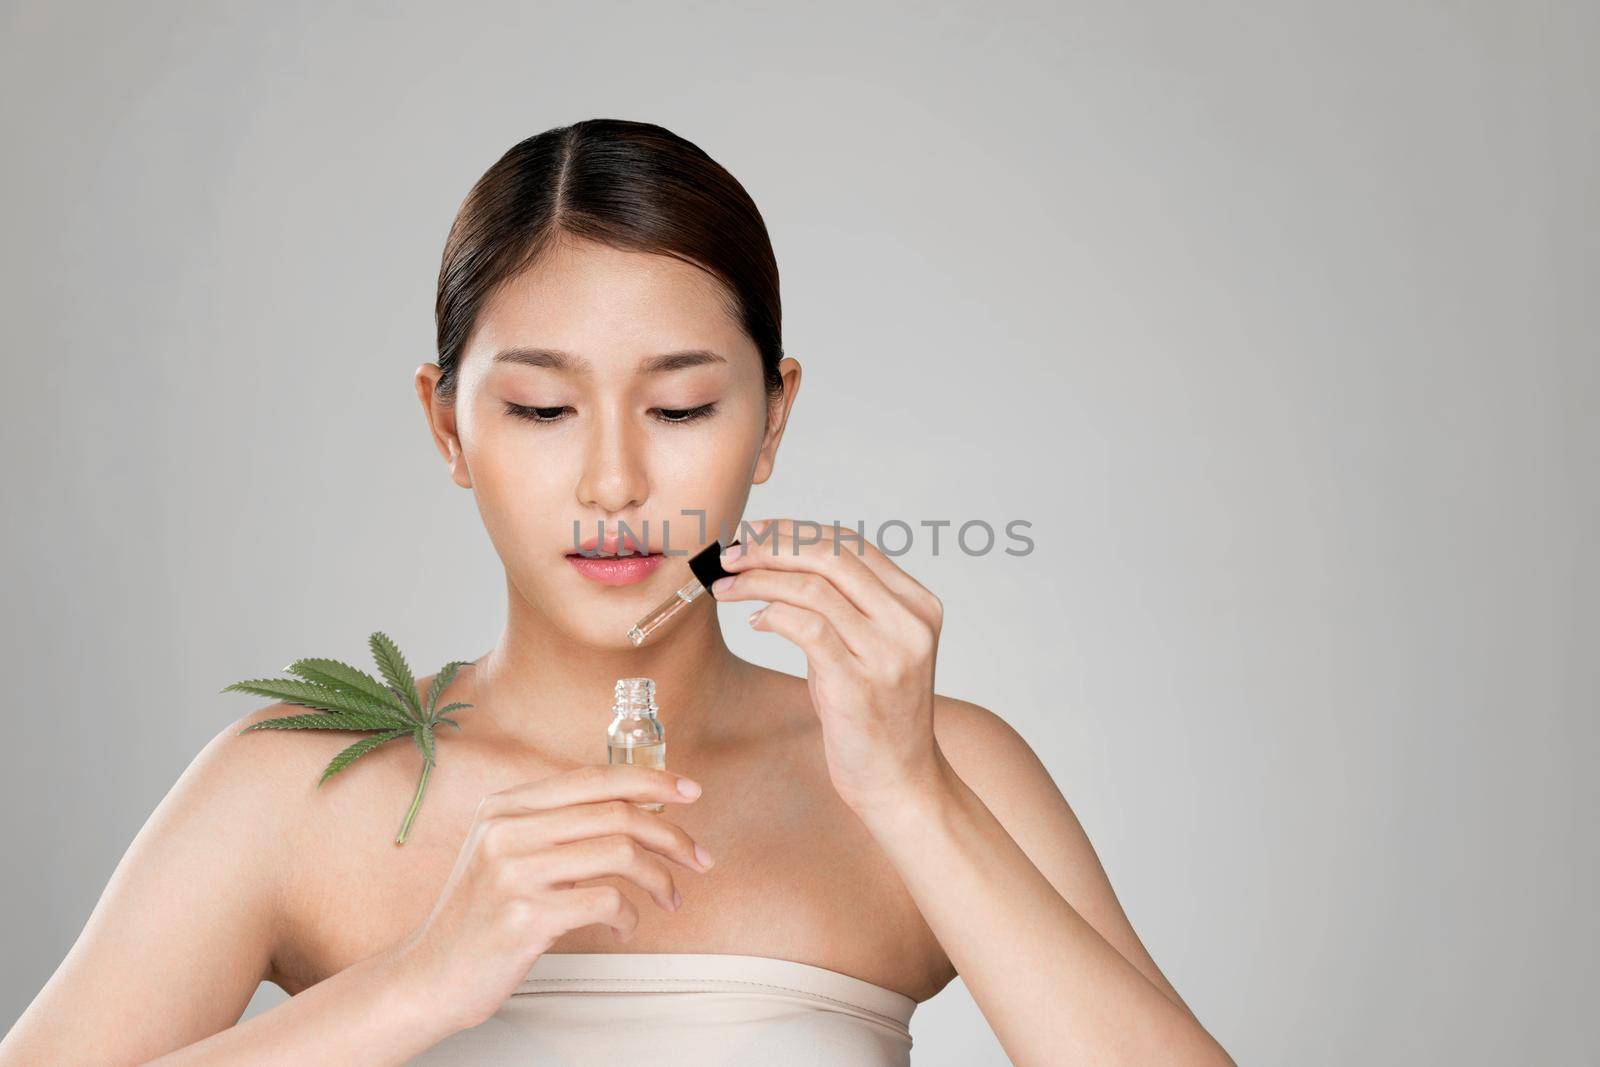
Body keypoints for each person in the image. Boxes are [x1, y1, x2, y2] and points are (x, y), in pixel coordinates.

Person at [1, 118, 1234, 1066]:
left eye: (682, 406)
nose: (612, 477)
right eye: (540, 407)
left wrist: (909, 797)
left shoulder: (944, 765)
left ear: (772, 418)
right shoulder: (293, 784)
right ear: (445, 424)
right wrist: (413, 983)